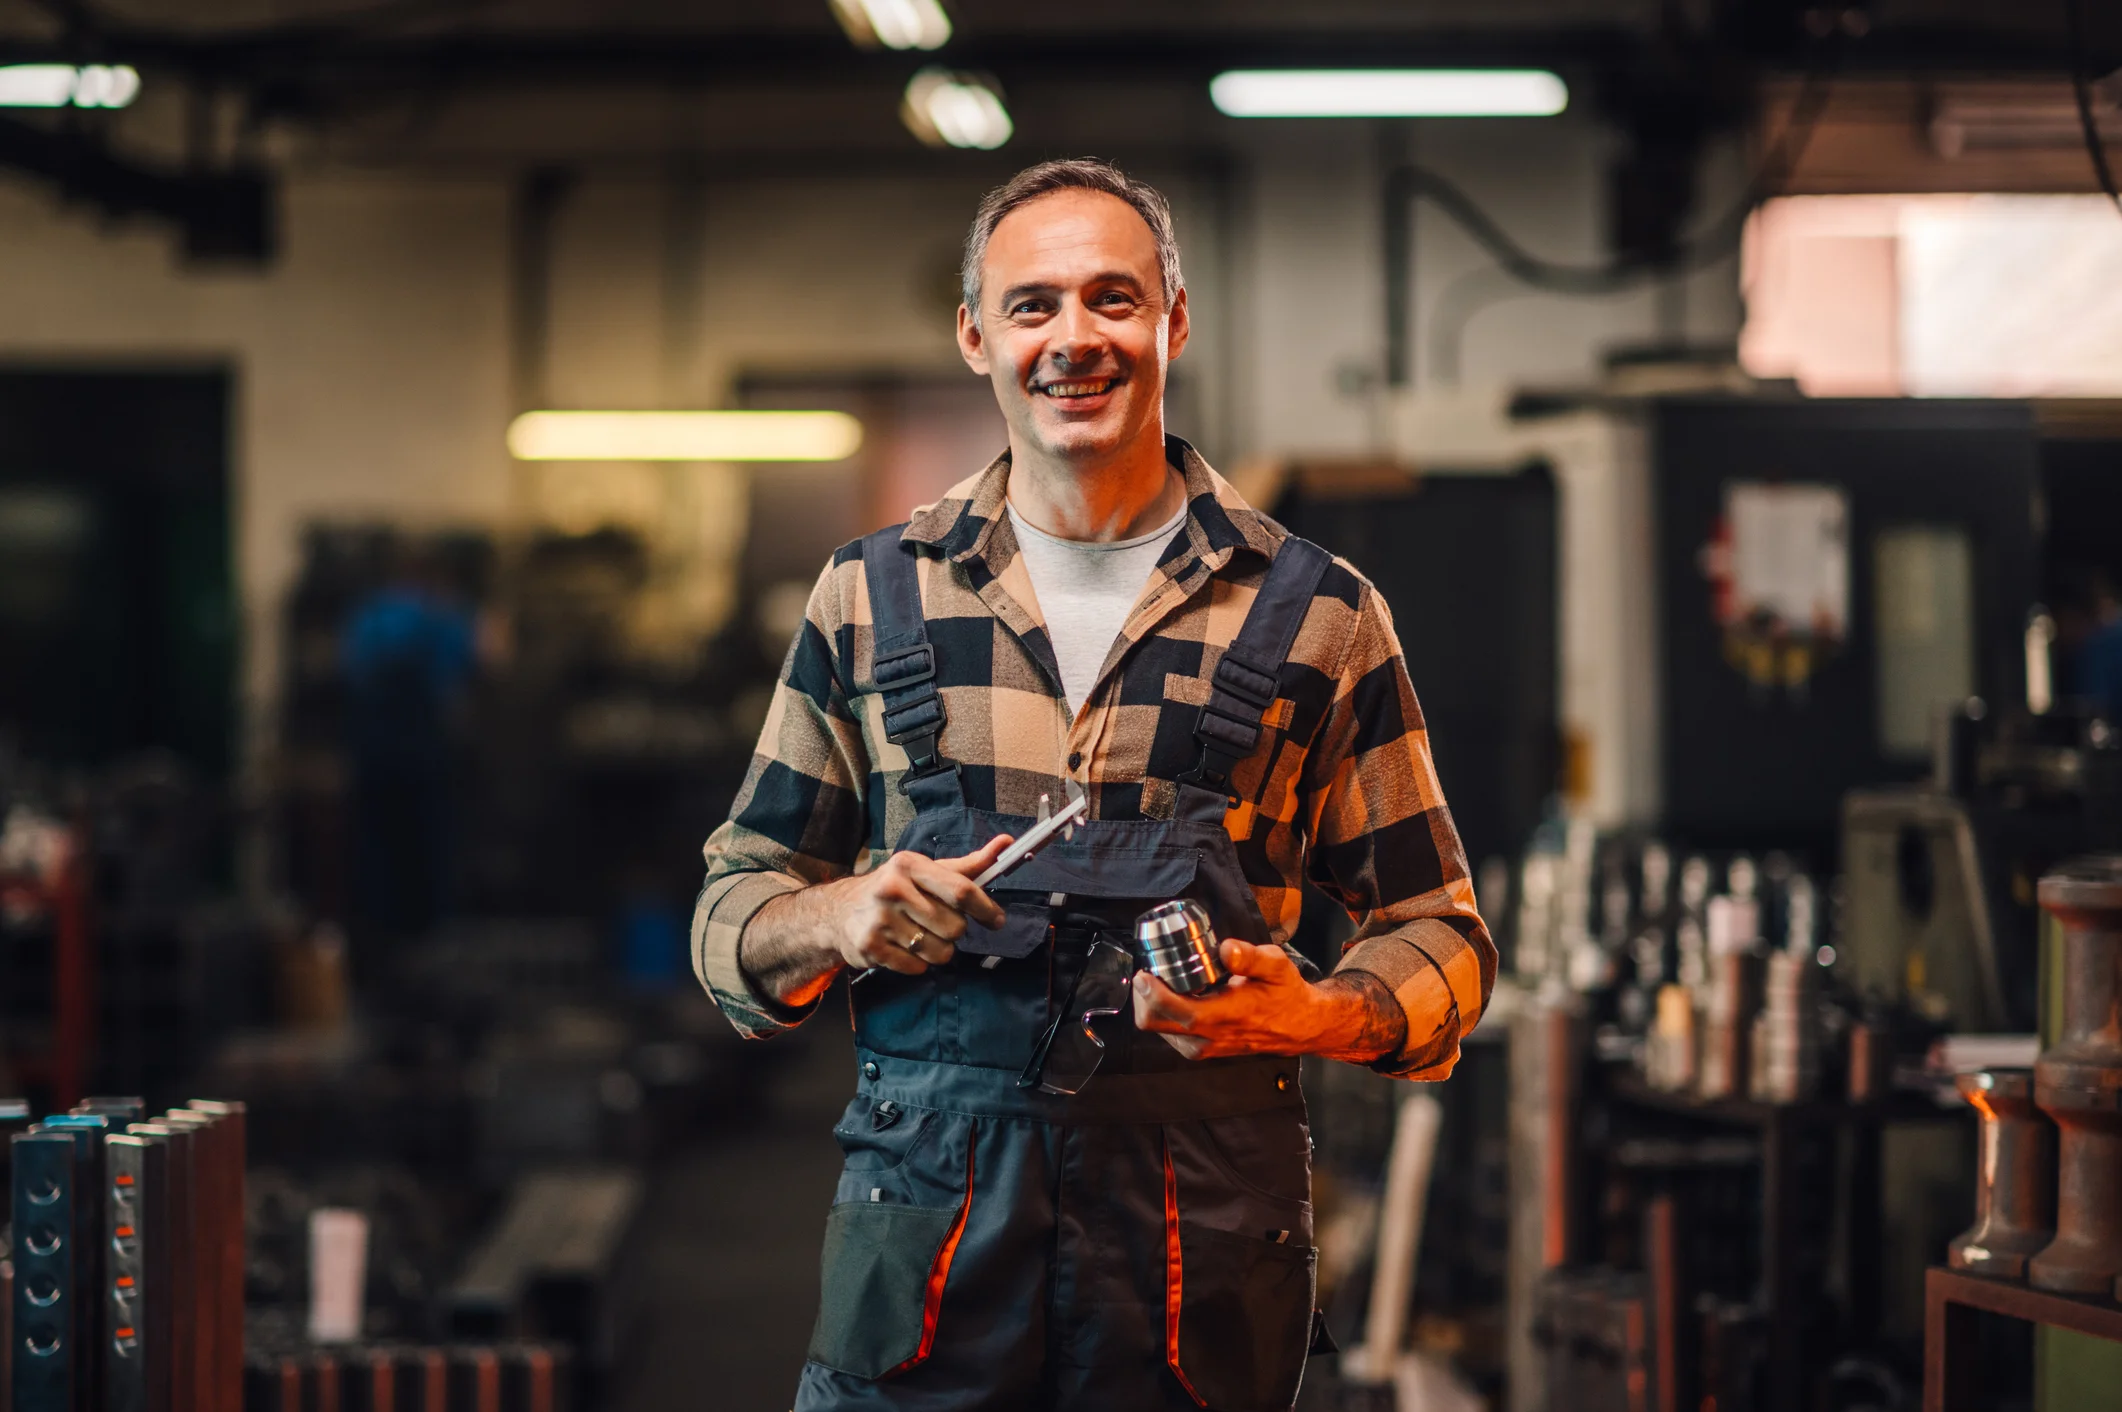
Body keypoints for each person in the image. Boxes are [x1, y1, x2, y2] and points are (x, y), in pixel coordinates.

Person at [693, 158, 1495, 1411]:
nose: (1075, 338)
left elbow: (1440, 936)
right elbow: (734, 906)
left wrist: (1315, 1013)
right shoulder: (872, 596)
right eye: (1033, 305)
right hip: (929, 1257)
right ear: (976, 335)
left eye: (1114, 300)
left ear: (1174, 321)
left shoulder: (1319, 615)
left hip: (1197, 1266)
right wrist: (840, 915)